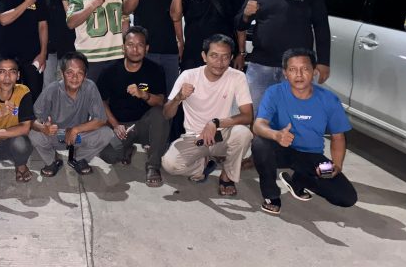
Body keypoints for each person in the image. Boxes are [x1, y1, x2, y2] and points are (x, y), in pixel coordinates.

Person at [252, 48, 357, 215]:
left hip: (311, 155)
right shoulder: (274, 92)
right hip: (281, 149)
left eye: (305, 69)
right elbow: (258, 125)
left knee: (346, 197)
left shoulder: (329, 99)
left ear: (314, 71)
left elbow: (338, 137)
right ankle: (271, 195)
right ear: (285, 73)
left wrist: (336, 165)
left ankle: (299, 180)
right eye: (293, 69)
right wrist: (276, 135)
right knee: (260, 144)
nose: (299, 74)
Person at [235, 0, 331, 110]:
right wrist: (246, 15)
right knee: (254, 113)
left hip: (297, 67)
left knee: (296, 115)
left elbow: (321, 27)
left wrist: (323, 62)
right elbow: (239, 25)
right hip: (261, 66)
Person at [161, 34, 253, 196]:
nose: (220, 62)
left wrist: (215, 123)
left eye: (225, 57)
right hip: (194, 137)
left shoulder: (237, 77)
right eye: (214, 56)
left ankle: (227, 176)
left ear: (231, 58)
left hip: (221, 134)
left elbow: (248, 116)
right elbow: (166, 114)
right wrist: (178, 98)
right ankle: (203, 165)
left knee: (243, 133)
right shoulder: (188, 76)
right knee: (170, 164)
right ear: (204, 56)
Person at [98, 26, 170, 187]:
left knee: (160, 113)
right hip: (122, 126)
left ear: (147, 48)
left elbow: (161, 102)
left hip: (145, 125)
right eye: (130, 45)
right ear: (123, 47)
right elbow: (101, 102)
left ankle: (153, 165)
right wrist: (115, 125)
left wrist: (144, 95)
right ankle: (127, 148)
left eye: (140, 45)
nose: (135, 50)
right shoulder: (109, 71)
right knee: (108, 155)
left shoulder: (156, 70)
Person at [29, 52, 114, 176]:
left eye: (80, 73)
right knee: (34, 134)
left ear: (85, 75)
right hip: (57, 135)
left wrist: (75, 130)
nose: (75, 78)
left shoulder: (90, 87)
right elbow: (32, 119)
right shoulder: (52, 89)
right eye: (69, 72)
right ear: (62, 73)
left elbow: (101, 119)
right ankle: (53, 160)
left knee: (106, 133)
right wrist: (43, 128)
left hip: (79, 136)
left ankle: (78, 158)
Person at [67, 0, 127, 82]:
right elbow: (71, 23)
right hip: (89, 58)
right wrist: (93, 5)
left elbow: (125, 19)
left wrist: (126, 44)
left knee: (116, 94)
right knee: (89, 94)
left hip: (117, 56)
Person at [42, 0, 79, 87]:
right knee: (48, 84)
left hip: (70, 44)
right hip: (49, 46)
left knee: (70, 84)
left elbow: (73, 16)